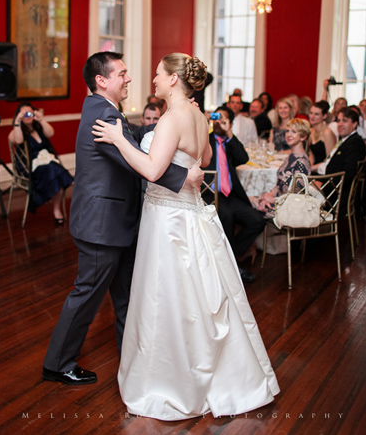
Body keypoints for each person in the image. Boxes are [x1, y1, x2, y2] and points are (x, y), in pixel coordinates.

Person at [92, 53, 279, 419]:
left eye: (158, 74)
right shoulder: (197, 116)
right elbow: (204, 159)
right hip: (192, 214)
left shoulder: (172, 118)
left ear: (174, 79)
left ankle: (173, 381)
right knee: (195, 295)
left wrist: (118, 138)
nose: (154, 80)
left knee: (167, 295)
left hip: (168, 218)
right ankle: (211, 370)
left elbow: (152, 170)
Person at [42, 51, 200, 386]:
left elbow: (131, 136)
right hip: (102, 224)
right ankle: (58, 364)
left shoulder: (103, 108)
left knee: (128, 297)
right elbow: (136, 160)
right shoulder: (104, 114)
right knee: (88, 295)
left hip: (116, 223)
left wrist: (174, 121)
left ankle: (136, 363)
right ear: (101, 80)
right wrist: (183, 176)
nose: (129, 78)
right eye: (122, 73)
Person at [202, 106, 267, 283]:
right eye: (217, 117)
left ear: (230, 123)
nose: (219, 122)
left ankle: (231, 255)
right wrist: (205, 123)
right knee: (227, 215)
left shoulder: (230, 142)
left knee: (257, 220)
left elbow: (243, 158)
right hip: (211, 194)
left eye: (224, 119)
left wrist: (229, 133)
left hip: (231, 195)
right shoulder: (205, 140)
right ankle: (233, 268)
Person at [9, 101, 74, 225]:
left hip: (48, 164)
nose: (27, 116)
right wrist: (17, 122)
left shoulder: (38, 128)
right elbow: (18, 140)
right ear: (19, 115)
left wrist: (41, 120)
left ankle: (57, 210)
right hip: (30, 168)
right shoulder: (16, 131)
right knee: (54, 170)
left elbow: (51, 133)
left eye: (29, 113)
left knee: (54, 172)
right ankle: (72, 182)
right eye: (24, 114)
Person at [253, 118, 312, 216]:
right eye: (287, 131)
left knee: (247, 205)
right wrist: (271, 194)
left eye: (294, 132)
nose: (289, 135)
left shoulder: (301, 162)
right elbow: (280, 184)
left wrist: (273, 200)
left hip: (288, 209)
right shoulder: (291, 157)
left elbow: (297, 197)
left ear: (303, 137)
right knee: (247, 199)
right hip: (279, 201)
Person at [319, 108, 366, 217]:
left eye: (344, 121)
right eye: (338, 120)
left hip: (336, 195)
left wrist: (323, 187)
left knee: (299, 189)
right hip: (331, 186)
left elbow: (347, 173)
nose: (340, 124)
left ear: (354, 124)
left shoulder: (355, 143)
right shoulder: (347, 140)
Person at [308, 100, 336, 165]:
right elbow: (311, 155)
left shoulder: (327, 132)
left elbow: (330, 160)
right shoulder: (311, 131)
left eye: (316, 114)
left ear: (324, 116)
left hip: (324, 169)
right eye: (311, 113)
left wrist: (312, 168)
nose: (312, 116)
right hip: (313, 167)